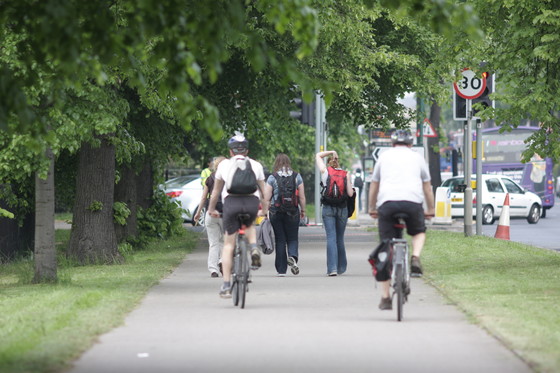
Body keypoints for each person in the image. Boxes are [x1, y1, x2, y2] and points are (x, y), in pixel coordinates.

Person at [368, 129, 435, 310]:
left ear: (392, 143)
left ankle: (385, 298)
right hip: (412, 203)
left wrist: (372, 208)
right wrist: (431, 209)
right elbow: (427, 187)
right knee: (419, 232)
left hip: (387, 203)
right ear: (411, 144)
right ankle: (415, 257)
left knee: (385, 247)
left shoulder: (384, 157)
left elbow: (375, 184)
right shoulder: (417, 158)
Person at [208, 134, 268, 298]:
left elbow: (215, 192)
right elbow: (264, 191)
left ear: (231, 151)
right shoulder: (255, 165)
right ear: (247, 150)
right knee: (249, 226)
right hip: (251, 202)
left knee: (228, 245)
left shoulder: (224, 165)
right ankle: (254, 247)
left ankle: (226, 284)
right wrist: (265, 209)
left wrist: (211, 209)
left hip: (231, 203)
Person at [263, 153, 306, 276]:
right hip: (293, 211)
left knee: (280, 239)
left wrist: (266, 212)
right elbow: (302, 197)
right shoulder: (297, 176)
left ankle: (281, 269)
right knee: (292, 238)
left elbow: (266, 198)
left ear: (277, 163)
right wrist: (303, 211)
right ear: (289, 162)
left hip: (276, 212)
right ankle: (292, 256)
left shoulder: (272, 177)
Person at [316, 150, 354, 276]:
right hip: (342, 209)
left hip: (328, 208)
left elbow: (318, 155)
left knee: (331, 238)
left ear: (329, 163)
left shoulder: (325, 172)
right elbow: (350, 194)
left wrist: (332, 151)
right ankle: (341, 267)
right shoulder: (346, 174)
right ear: (338, 162)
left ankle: (332, 269)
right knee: (340, 238)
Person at [194, 156, 227, 278]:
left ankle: (213, 269)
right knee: (224, 241)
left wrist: (198, 213)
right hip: (226, 213)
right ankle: (223, 261)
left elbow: (203, 197)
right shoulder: (230, 178)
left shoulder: (210, 178)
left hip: (211, 213)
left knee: (213, 243)